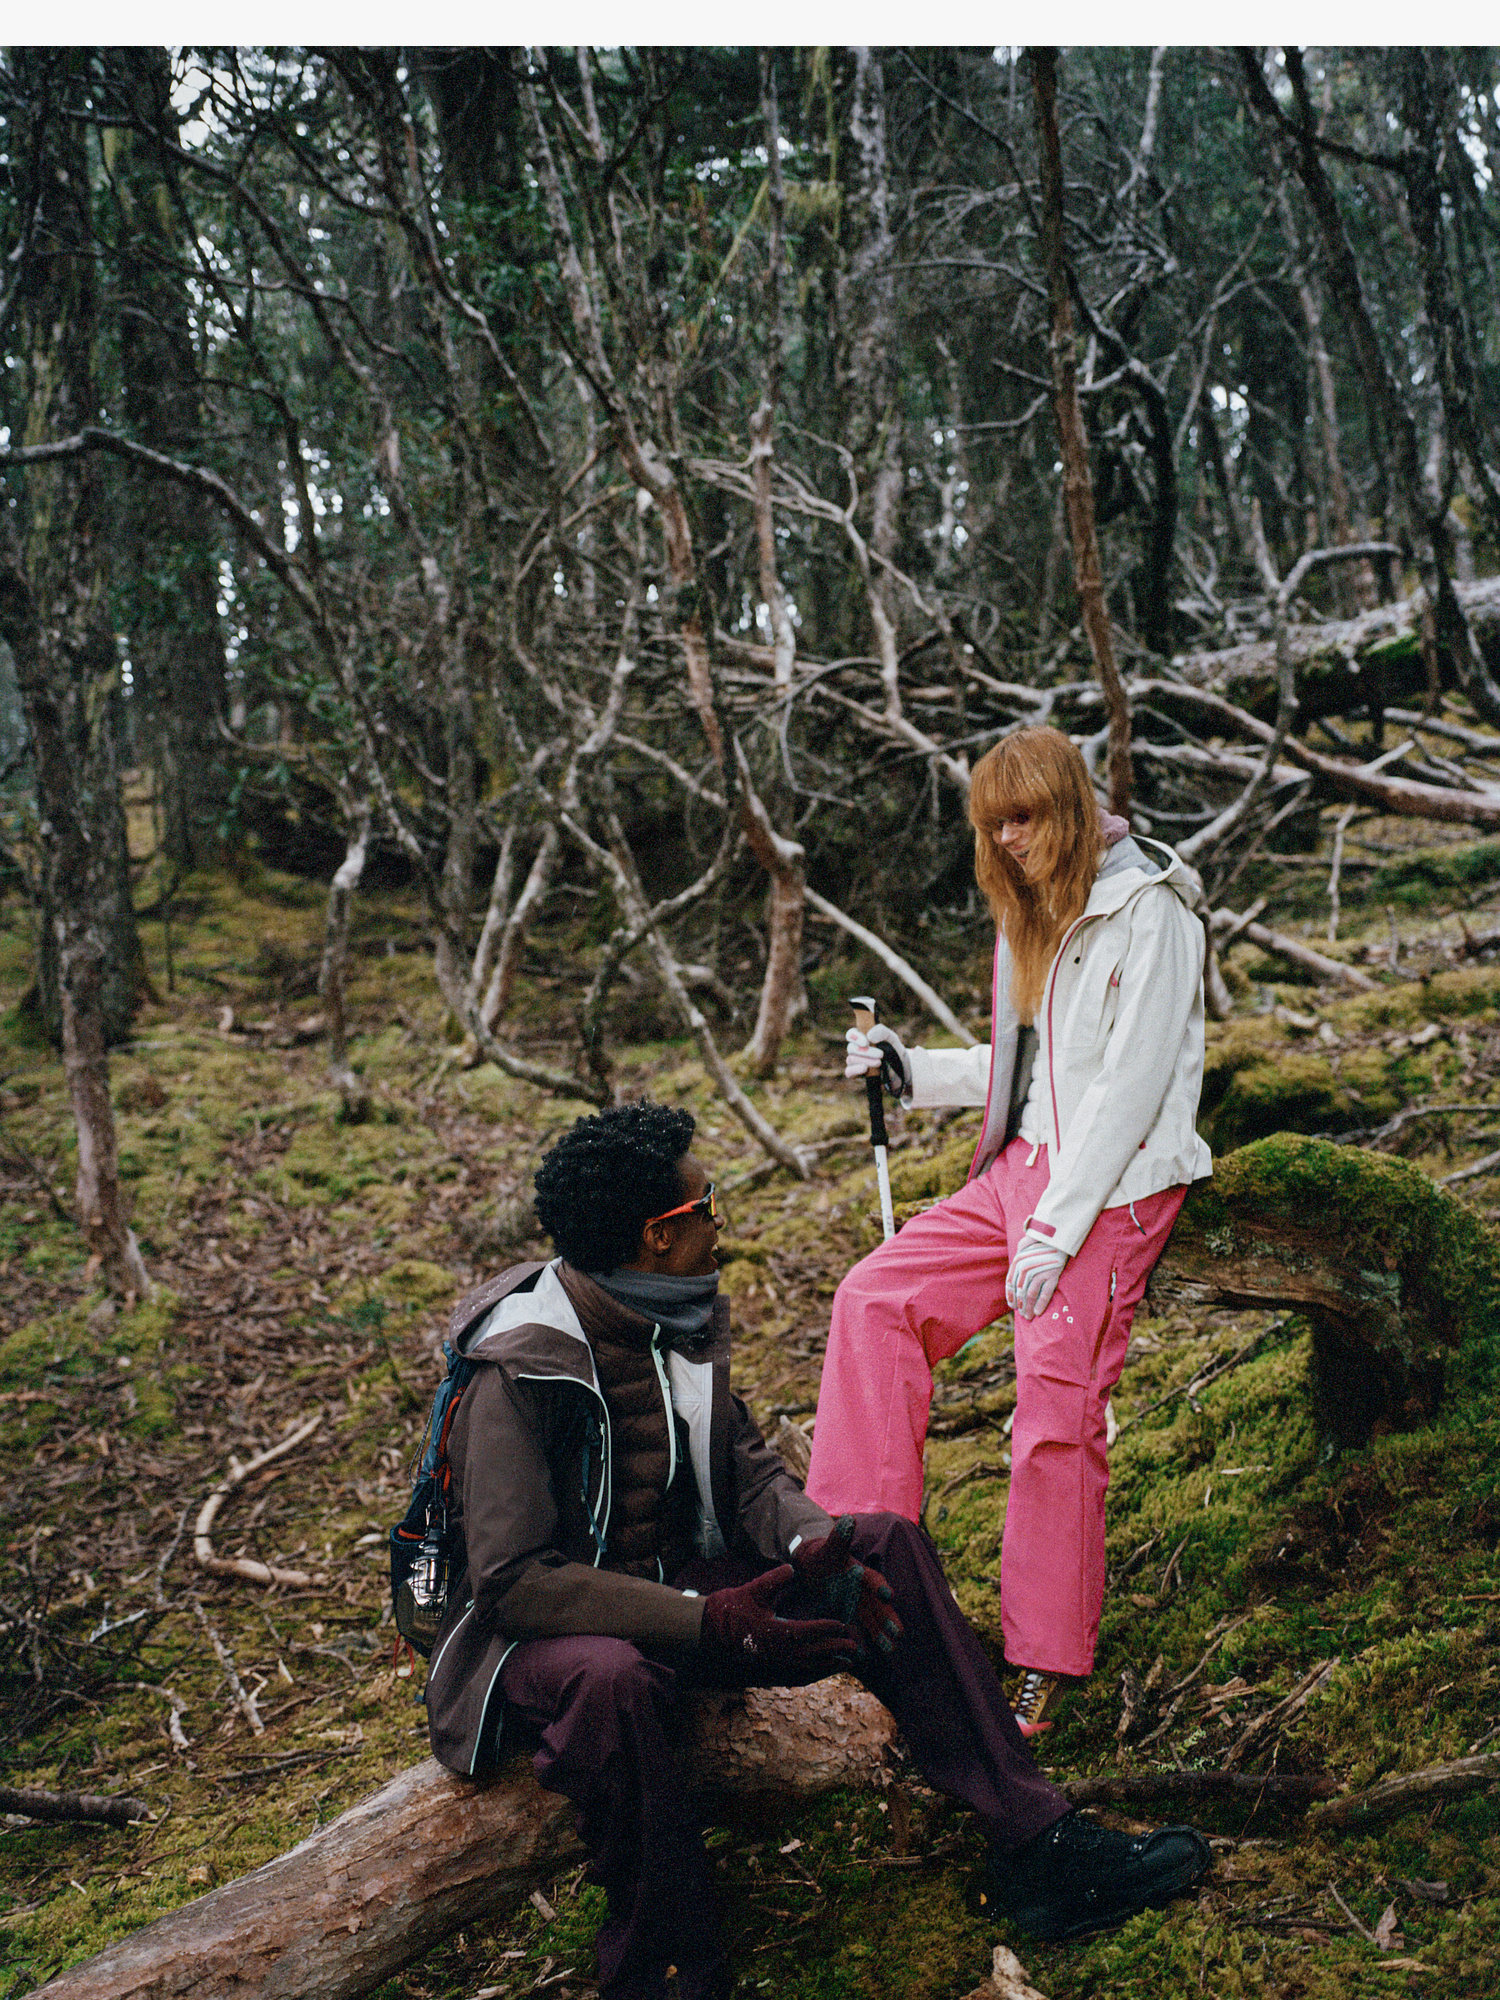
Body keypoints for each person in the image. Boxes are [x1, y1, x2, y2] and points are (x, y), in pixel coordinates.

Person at [424, 1099, 1210, 2000]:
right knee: (612, 1681)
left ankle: (1036, 1845)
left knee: (879, 1540)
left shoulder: (671, 1312)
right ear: (655, 1235)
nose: (721, 1222)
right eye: (706, 1206)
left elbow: (750, 1471)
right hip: (538, 1647)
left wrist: (809, 1542)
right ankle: (668, 1972)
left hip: (682, 1604)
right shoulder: (522, 1363)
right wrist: (706, 1618)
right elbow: (514, 1584)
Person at [806, 725, 1212, 1736]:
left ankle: (1043, 1654)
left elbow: (1125, 1092)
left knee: (1054, 1409)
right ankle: (857, 1585)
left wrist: (1060, 1230)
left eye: (1025, 817)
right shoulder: (1037, 909)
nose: (1011, 838)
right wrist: (917, 1068)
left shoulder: (1150, 913)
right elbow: (1031, 1069)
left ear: (1070, 808)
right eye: (995, 824)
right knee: (873, 1300)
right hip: (1022, 1174)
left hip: (1111, 1191)